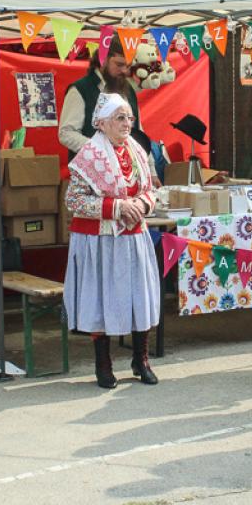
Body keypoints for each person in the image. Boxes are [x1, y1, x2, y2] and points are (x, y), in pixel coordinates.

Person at [64, 93, 161, 389]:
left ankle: (141, 359)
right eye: (120, 118)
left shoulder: (137, 152)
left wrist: (142, 204)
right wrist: (116, 207)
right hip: (101, 240)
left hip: (134, 237)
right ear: (102, 123)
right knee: (102, 299)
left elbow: (150, 190)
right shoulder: (88, 156)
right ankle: (103, 364)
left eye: (129, 117)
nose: (127, 123)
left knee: (139, 295)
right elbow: (74, 200)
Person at [59, 38, 159, 182]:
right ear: (103, 60)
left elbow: (138, 133)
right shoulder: (81, 89)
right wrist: (100, 151)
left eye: (127, 66)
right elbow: (66, 133)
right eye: (119, 64)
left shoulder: (128, 90)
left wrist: (151, 171)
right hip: (92, 177)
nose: (124, 71)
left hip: (130, 177)